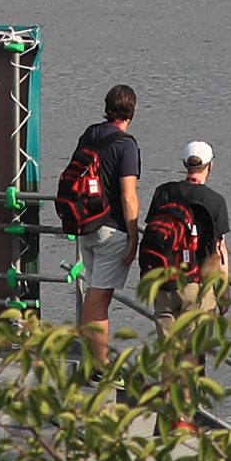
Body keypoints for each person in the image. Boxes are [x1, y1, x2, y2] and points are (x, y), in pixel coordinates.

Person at [51, 85, 145, 363]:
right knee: (99, 299)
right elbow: (128, 196)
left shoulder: (91, 133)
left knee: (93, 291)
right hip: (112, 230)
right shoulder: (126, 145)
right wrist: (133, 236)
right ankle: (101, 367)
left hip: (86, 224)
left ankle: (95, 360)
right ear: (133, 110)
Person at [139, 142, 231, 316]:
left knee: (167, 342)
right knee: (195, 341)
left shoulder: (163, 192)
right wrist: (224, 289)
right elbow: (220, 250)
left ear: (184, 164)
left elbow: (151, 233)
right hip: (196, 284)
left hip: (163, 279)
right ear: (210, 166)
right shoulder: (216, 201)